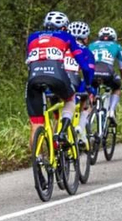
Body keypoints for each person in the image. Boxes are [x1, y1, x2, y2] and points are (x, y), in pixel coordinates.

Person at [25, 11, 87, 140]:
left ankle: (38, 158)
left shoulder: (32, 37)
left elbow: (29, 60)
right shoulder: (66, 36)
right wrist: (88, 82)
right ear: (64, 27)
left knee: (36, 124)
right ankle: (63, 132)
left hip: (33, 78)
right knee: (70, 99)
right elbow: (82, 62)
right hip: (57, 76)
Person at [86, 26, 122, 126]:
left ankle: (88, 115)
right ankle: (111, 111)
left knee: (91, 88)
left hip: (92, 71)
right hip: (107, 71)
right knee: (117, 87)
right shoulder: (117, 46)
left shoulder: (91, 45)